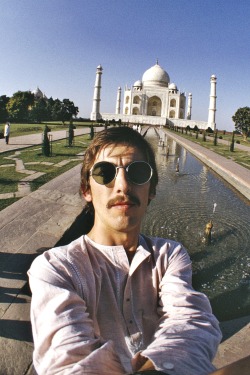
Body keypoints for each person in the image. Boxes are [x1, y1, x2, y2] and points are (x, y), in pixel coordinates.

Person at [28, 126, 222, 375]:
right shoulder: (57, 268)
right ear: (86, 190)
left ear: (151, 189)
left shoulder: (168, 255)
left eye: (138, 172)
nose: (122, 185)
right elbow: (66, 356)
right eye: (104, 173)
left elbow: (190, 321)